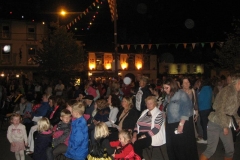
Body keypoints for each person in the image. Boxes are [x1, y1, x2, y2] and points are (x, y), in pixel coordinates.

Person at [200, 73, 240, 160]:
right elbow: (220, 109)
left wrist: (238, 120)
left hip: (225, 122)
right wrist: (224, 126)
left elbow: (233, 111)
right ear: (238, 82)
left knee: (230, 150)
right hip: (216, 122)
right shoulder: (227, 91)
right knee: (210, 150)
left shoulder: (237, 93)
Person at [163, 78, 198, 160]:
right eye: (164, 88)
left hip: (179, 123)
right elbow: (165, 107)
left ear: (172, 86)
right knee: (171, 146)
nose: (165, 90)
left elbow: (187, 110)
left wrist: (181, 125)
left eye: (166, 88)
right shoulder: (168, 96)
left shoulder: (181, 94)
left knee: (181, 147)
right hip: (170, 123)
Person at [197, 78, 213, 144]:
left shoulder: (202, 89)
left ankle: (205, 138)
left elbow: (199, 100)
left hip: (203, 108)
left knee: (203, 124)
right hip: (208, 108)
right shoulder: (210, 88)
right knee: (207, 124)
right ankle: (208, 137)